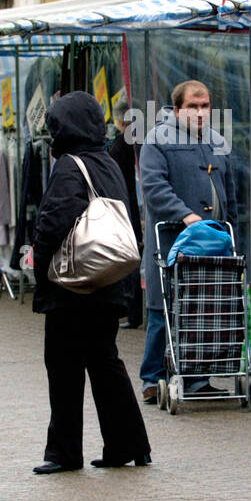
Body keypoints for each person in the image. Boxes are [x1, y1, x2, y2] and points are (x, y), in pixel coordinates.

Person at [30, 91, 152, 474]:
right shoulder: (107, 160)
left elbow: (54, 222)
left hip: (73, 286)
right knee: (105, 362)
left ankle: (64, 452)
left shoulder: (69, 165)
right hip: (109, 281)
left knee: (63, 366)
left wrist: (40, 270)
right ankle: (129, 445)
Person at [137, 79, 238, 402]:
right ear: (177, 109)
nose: (200, 112)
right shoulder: (157, 141)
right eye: (193, 106)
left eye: (205, 105)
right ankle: (153, 377)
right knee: (162, 309)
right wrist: (185, 214)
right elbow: (154, 188)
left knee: (204, 309)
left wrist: (230, 228)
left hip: (212, 242)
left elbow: (230, 191)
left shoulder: (218, 142)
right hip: (171, 241)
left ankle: (196, 378)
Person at [107, 95, 144, 329]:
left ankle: (133, 313)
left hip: (127, 210)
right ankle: (135, 312)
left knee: (129, 263)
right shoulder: (144, 142)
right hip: (141, 210)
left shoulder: (120, 146)